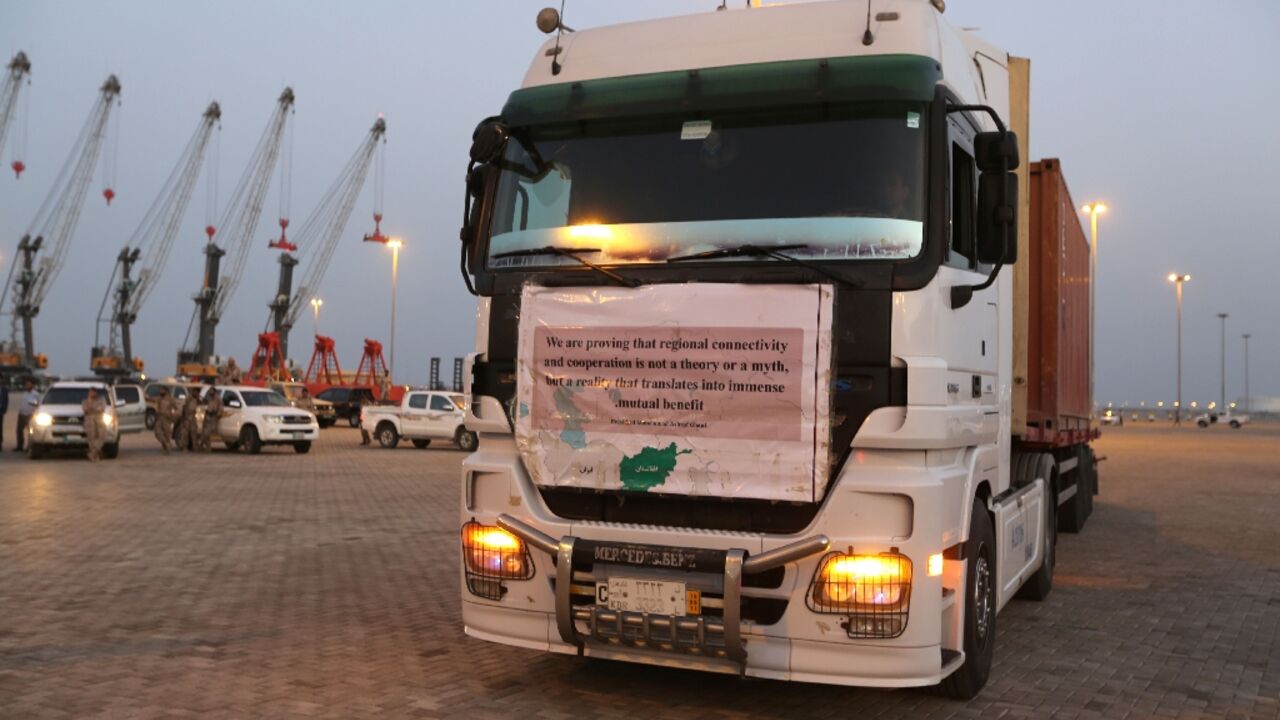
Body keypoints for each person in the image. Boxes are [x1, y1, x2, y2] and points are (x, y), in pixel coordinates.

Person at [82, 387, 108, 462]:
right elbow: (86, 409)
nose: (92, 393)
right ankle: (94, 457)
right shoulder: (85, 401)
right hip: (89, 422)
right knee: (91, 439)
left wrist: (93, 410)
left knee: (102, 436)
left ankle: (92, 453)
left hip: (99, 421)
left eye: (93, 392)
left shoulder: (101, 400)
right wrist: (89, 400)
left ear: (96, 392)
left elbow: (101, 408)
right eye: (90, 392)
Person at [153, 387, 179, 453]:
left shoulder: (170, 399)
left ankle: (166, 448)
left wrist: (173, 416)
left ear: (166, 391)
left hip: (167, 419)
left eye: (162, 390)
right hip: (159, 418)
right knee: (157, 432)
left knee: (167, 434)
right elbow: (153, 401)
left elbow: (176, 408)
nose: (160, 391)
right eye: (160, 390)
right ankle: (166, 444)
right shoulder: (159, 399)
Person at [15, 379, 38, 452]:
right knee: (19, 431)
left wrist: (31, 415)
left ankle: (29, 447)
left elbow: (35, 405)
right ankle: (19, 446)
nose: (27, 385)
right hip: (22, 414)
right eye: (26, 384)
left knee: (30, 432)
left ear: (32, 385)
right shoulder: (24, 393)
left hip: (30, 416)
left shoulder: (35, 394)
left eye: (29, 384)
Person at [199, 383, 222, 452]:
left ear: (214, 391)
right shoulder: (209, 398)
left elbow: (220, 408)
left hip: (213, 417)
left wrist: (217, 416)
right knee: (205, 433)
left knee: (206, 433)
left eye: (211, 390)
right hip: (207, 417)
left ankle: (200, 445)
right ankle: (208, 448)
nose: (209, 392)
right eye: (209, 390)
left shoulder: (218, 399)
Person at [0, 380, 8, 451]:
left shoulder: (4, 390)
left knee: (0, 428)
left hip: (0, 412)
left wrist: (4, 410)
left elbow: (6, 400)